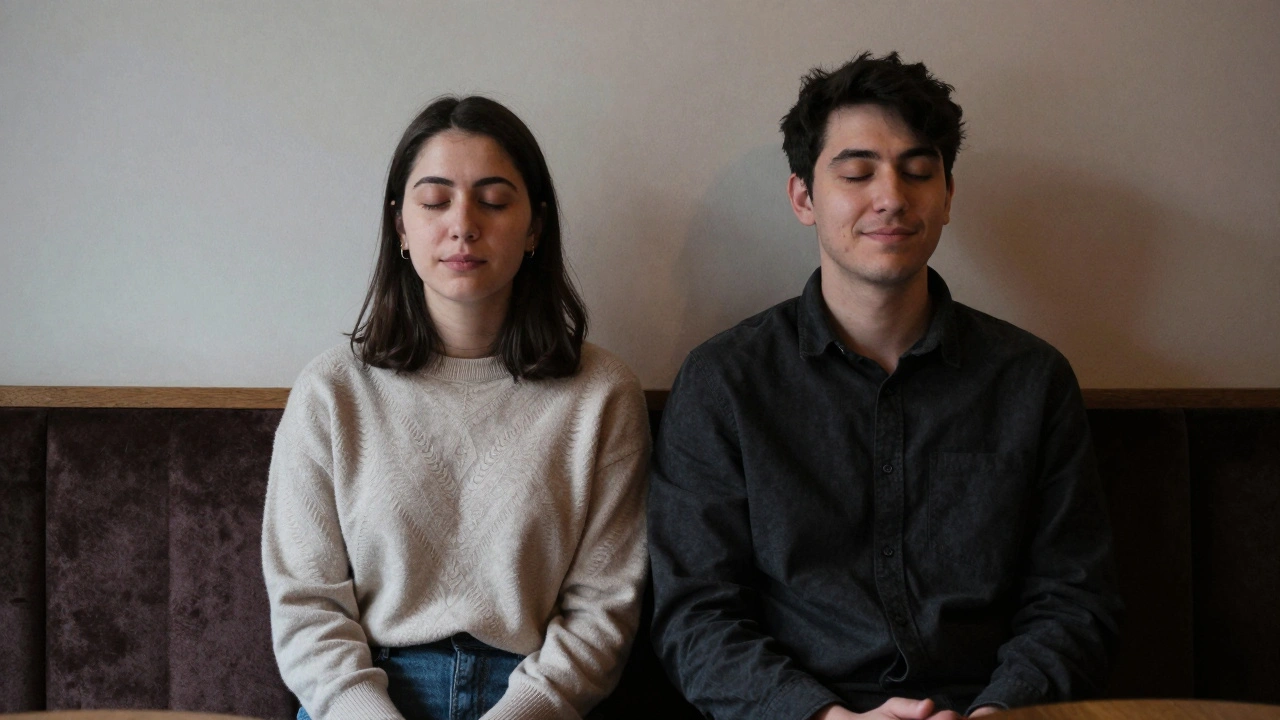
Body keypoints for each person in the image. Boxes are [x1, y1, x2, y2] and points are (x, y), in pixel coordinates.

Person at [648, 52, 1122, 720]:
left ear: (948, 195)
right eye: (857, 172)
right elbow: (695, 617)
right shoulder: (725, 382)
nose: (892, 197)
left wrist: (1000, 711)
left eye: (918, 170)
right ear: (803, 197)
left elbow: (1074, 600)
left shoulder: (1031, 379)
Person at [262, 95, 650, 720]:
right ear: (400, 227)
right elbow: (307, 606)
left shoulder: (601, 393)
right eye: (435, 201)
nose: (463, 224)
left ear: (534, 228)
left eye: (494, 201)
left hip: (535, 699)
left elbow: (604, 608)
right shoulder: (332, 392)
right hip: (367, 695)